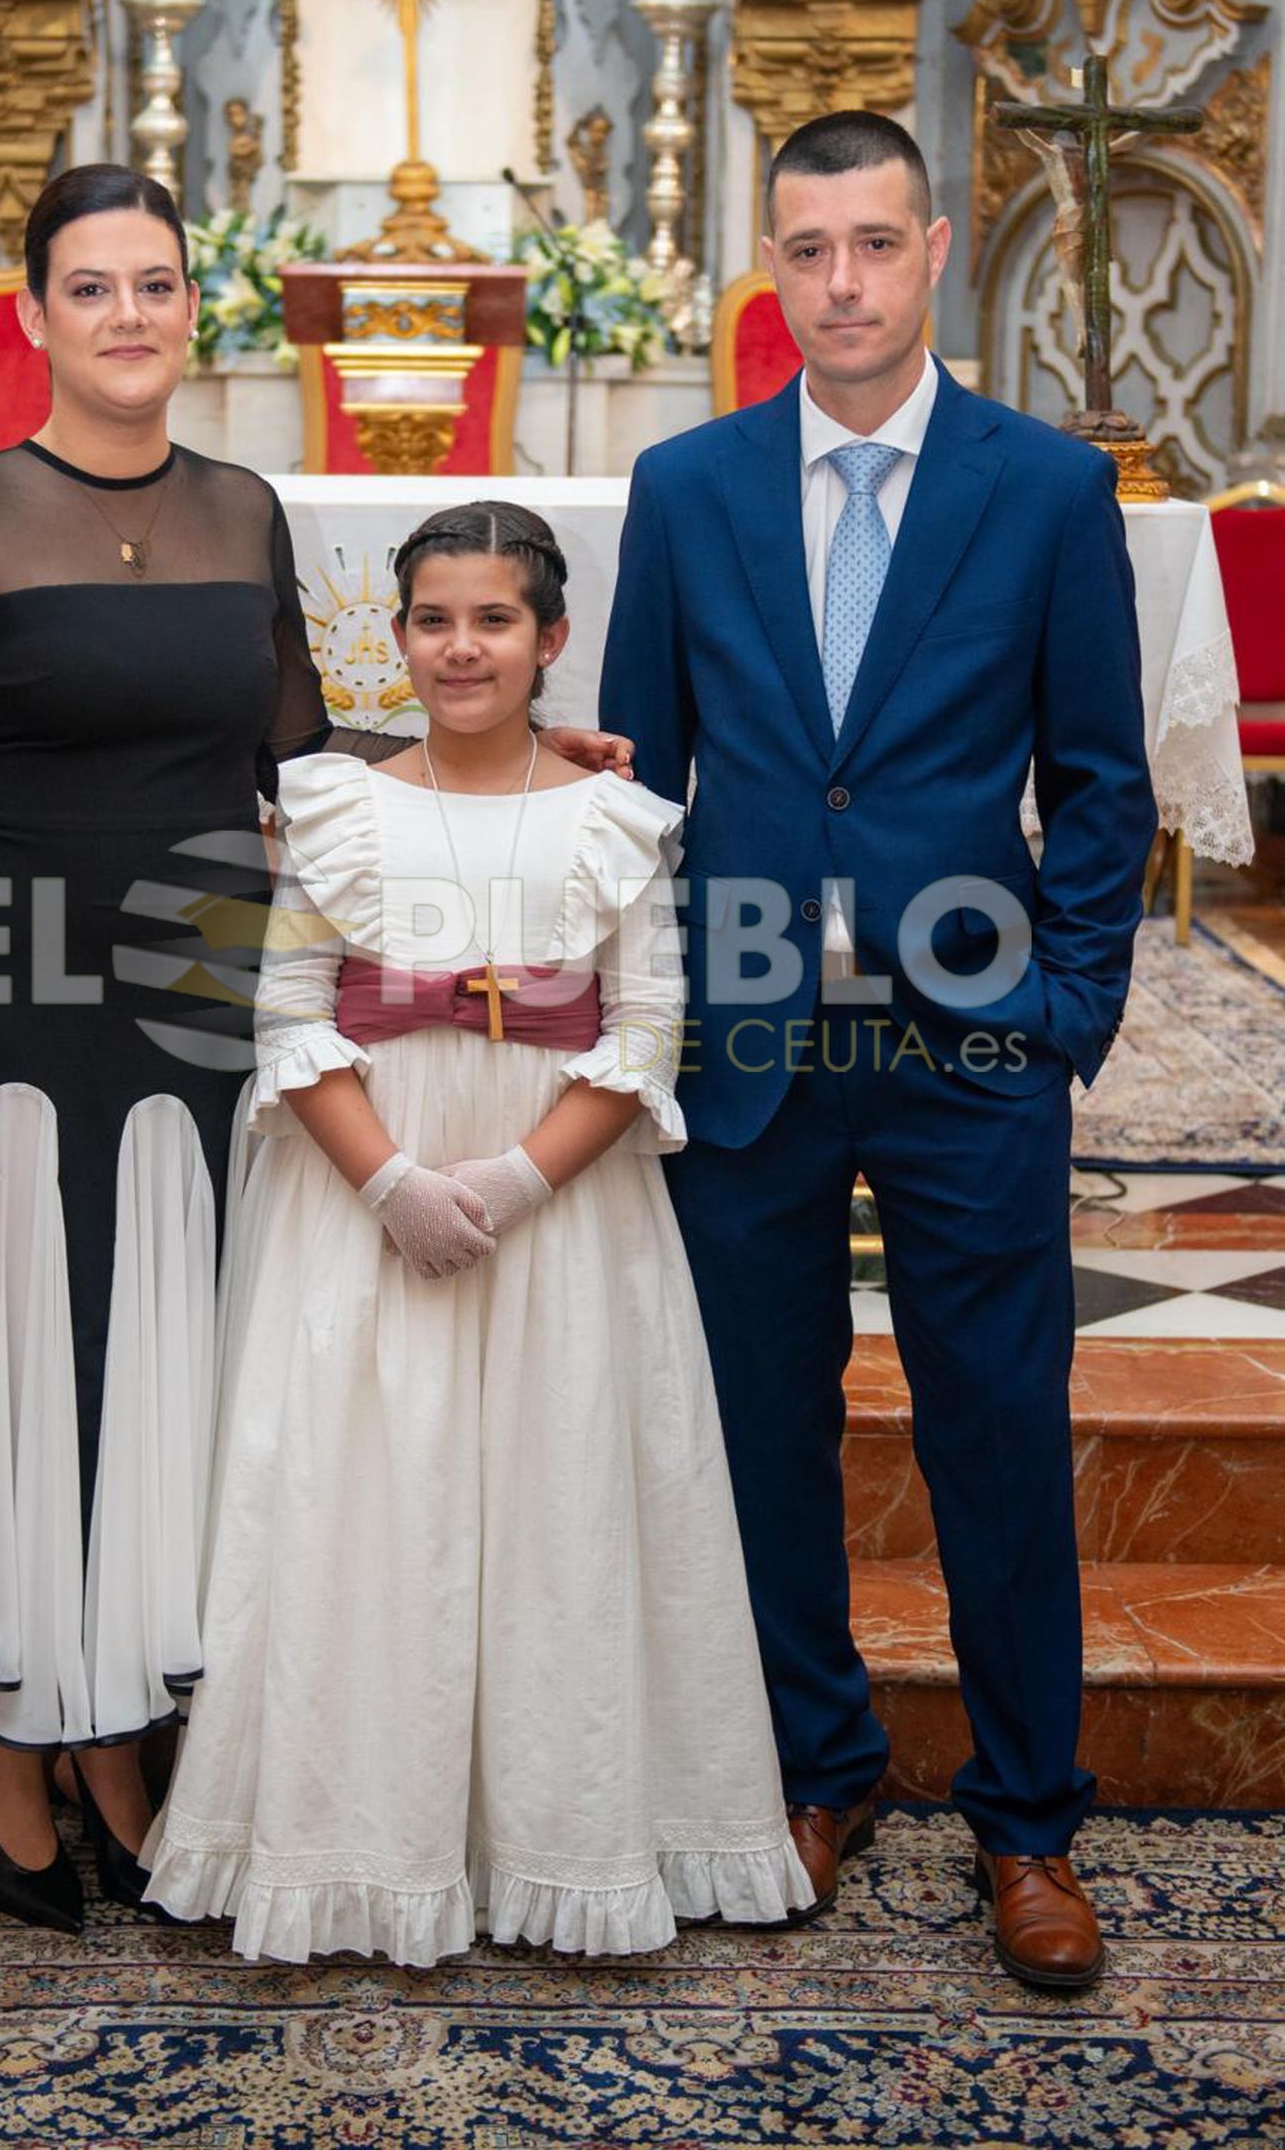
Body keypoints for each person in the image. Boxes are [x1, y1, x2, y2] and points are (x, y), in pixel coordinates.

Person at [0, 166, 631, 1936]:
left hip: (198, 990)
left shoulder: (242, 510)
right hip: (21, 992)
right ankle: (13, 1740)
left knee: (170, 1358)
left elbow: (313, 772)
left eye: (156, 285)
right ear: (33, 316)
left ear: (193, 309)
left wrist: (528, 740)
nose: (127, 316)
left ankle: (124, 1729)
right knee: (38, 1355)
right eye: (89, 287)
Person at [599, 112, 1158, 1991]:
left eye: (873, 246)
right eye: (808, 248)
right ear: (773, 264)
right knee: (763, 1430)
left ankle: (1028, 1821)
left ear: (935, 254)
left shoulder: (1048, 490)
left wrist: (1063, 1015)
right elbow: (641, 791)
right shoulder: (687, 489)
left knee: (994, 1427)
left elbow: (1099, 787)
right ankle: (813, 1765)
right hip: (749, 1038)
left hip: (971, 1044)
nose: (840, 282)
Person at [140, 501, 813, 1962]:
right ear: (397, 640)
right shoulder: (334, 805)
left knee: (559, 1498)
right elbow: (286, 1012)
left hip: (561, 1219)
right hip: (366, 1208)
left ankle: (563, 1833)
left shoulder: (614, 821)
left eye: (495, 620)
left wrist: (507, 1186)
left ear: (550, 640)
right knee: (373, 1500)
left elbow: (644, 1030)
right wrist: (391, 1185)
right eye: (434, 620)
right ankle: (356, 1841)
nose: (463, 647)